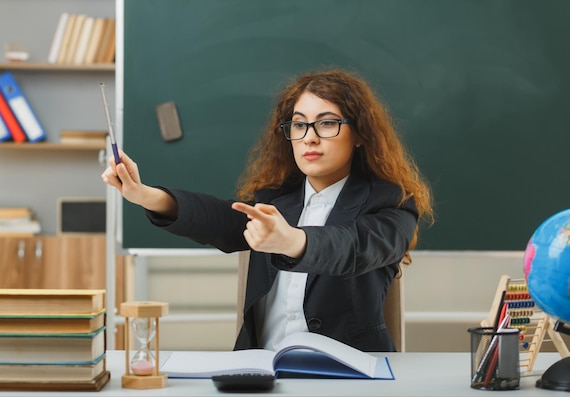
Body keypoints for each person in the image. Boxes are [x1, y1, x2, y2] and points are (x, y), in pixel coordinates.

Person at [102, 69, 433, 352]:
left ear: (359, 133)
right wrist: (145, 195)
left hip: (349, 379)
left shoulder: (392, 203)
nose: (310, 138)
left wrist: (292, 241)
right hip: (263, 373)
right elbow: (219, 218)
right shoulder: (276, 199)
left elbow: (352, 248)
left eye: (327, 123)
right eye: (299, 125)